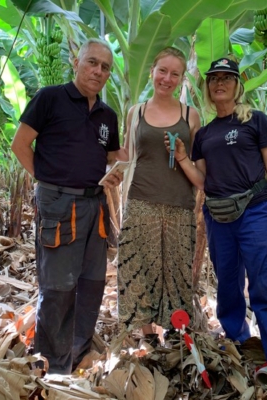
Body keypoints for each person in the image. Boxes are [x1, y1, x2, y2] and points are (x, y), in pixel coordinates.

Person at [169, 57, 267, 388]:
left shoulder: (255, 120)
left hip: (256, 212)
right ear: (208, 87)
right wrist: (183, 159)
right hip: (218, 217)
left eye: (226, 78)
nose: (220, 83)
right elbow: (203, 180)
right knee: (228, 287)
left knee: (266, 286)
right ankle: (241, 347)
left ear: (237, 85)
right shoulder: (205, 134)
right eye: (214, 78)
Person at [11, 38, 125, 375]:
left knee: (91, 282)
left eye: (105, 67)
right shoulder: (50, 98)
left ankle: (77, 353)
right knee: (58, 286)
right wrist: (48, 181)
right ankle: (52, 365)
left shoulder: (107, 115)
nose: (98, 71)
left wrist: (117, 169)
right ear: (76, 62)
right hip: (59, 203)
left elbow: (110, 155)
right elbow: (20, 144)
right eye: (92, 62)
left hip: (94, 205)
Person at [117, 47, 201, 341]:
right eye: (162, 71)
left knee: (176, 271)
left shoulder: (191, 116)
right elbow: (127, 155)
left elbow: (199, 168)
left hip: (179, 203)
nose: (167, 78)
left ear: (181, 78)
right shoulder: (136, 112)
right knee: (138, 267)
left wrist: (182, 156)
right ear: (152, 71)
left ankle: (176, 335)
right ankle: (147, 336)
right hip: (141, 201)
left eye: (174, 74)